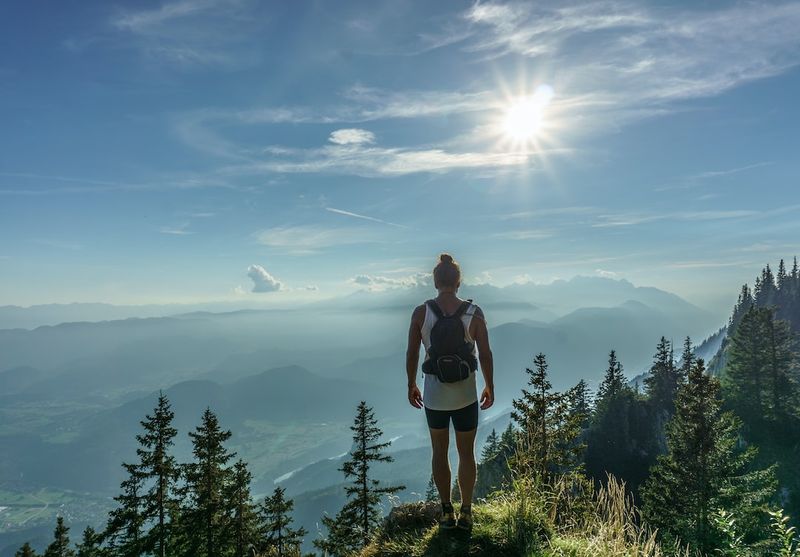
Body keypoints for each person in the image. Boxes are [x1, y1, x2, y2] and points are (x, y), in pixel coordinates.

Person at [406, 253, 494, 531]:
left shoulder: (422, 313)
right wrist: (489, 385)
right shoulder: (474, 313)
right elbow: (485, 353)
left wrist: (411, 384)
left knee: (439, 451)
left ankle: (446, 512)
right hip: (466, 395)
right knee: (466, 453)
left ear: (435, 281)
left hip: (435, 396)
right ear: (458, 282)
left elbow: (412, 352)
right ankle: (466, 512)